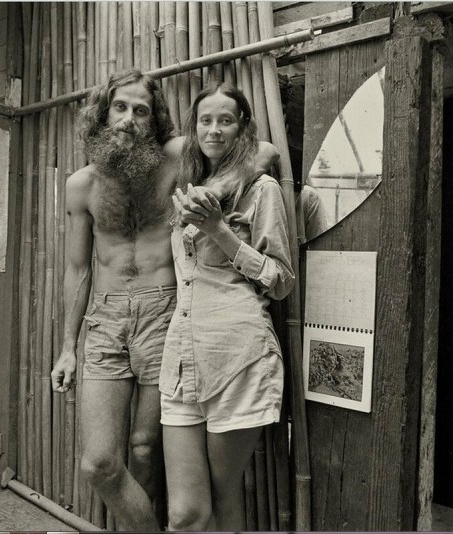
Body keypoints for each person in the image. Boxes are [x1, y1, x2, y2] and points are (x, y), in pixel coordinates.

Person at [49, 69, 278, 531]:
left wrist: (207, 200)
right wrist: (68, 346)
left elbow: (265, 152)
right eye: (120, 107)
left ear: (155, 120)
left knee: (144, 448)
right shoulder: (81, 185)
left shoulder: (175, 158)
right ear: (102, 112)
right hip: (105, 320)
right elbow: (78, 269)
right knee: (99, 464)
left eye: (141, 110)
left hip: (166, 313)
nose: (129, 118)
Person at [162, 82, 294, 531]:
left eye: (226, 120)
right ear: (194, 127)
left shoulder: (263, 190)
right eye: (206, 120)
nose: (214, 130)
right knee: (184, 514)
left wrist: (220, 230)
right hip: (180, 361)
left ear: (242, 128)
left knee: (223, 493)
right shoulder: (188, 189)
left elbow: (280, 282)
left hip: (238, 357)